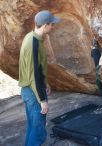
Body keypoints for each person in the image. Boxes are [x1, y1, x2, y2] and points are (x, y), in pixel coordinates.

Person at [18, 10, 60, 146]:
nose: (53, 27)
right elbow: (33, 75)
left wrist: (45, 82)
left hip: (31, 90)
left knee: (33, 128)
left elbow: (38, 68)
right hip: (33, 92)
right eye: (51, 24)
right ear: (45, 25)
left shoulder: (32, 37)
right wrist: (42, 100)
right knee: (38, 132)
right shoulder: (33, 44)